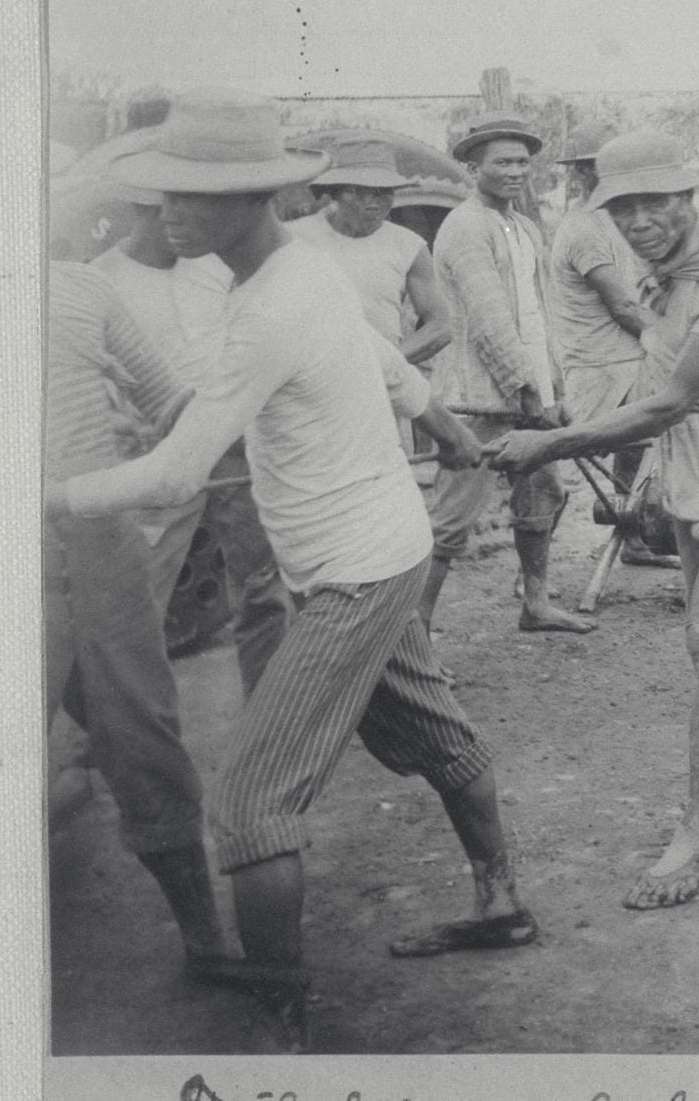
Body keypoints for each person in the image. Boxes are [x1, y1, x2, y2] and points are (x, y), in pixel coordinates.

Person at [45, 90, 536, 1051]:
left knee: (250, 804)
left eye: (190, 198)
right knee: (436, 733)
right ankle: (503, 899)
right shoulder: (298, 273)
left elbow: (179, 472)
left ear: (254, 197)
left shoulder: (266, 302)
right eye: (161, 197)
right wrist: (443, 426)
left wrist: (46, 499)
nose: (165, 214)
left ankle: (283, 1035)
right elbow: (386, 366)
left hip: (353, 574)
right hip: (382, 549)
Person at [486, 132, 699, 909]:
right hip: (693, 444)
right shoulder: (668, 266)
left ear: (687, 199)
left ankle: (694, 832)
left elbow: (668, 401)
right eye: (624, 207)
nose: (640, 220)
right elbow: (662, 381)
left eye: (655, 203)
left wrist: (552, 442)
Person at [43, 260, 228, 975]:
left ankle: (206, 941)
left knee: (142, 726)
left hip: (100, 531)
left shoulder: (83, 285)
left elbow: (173, 402)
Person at [89, 186, 289, 689]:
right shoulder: (96, 283)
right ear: (150, 210)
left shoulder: (214, 268)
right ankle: (127, 733)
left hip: (236, 450)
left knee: (262, 589)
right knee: (139, 600)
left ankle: (265, 718)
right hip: (153, 456)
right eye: (181, 210)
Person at [420, 116, 593, 635]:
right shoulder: (465, 227)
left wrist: (554, 386)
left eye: (523, 162)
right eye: (503, 163)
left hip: (530, 395)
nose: (516, 172)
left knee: (542, 494)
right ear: (474, 168)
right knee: (452, 520)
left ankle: (535, 603)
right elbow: (489, 320)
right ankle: (414, 633)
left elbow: (540, 315)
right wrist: (528, 391)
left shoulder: (526, 228)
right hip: (478, 401)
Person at [545, 123, 667, 567]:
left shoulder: (618, 221)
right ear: (579, 175)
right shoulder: (581, 229)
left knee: (636, 448)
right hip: (596, 364)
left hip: (630, 358)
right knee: (568, 468)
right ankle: (532, 570)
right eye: (596, 169)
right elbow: (622, 304)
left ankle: (631, 541)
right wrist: (671, 343)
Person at [283, 137, 452, 368]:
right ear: (334, 193)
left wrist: (387, 363)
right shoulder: (295, 238)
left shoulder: (408, 245)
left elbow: (441, 325)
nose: (373, 202)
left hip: (381, 381)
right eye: (358, 191)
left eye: (383, 192)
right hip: (309, 377)